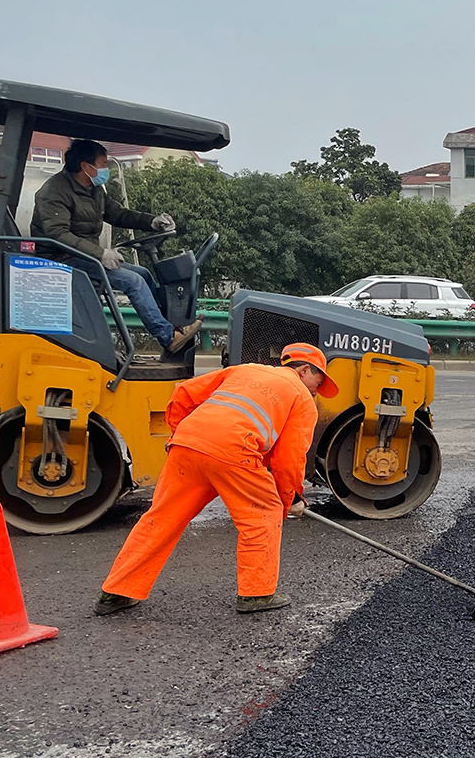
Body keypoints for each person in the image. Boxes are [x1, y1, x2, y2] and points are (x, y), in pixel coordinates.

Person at [95, 343, 337, 616]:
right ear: (304, 370)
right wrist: (289, 498)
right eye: (319, 380)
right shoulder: (302, 399)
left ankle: (116, 592)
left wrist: (179, 433)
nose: (318, 389)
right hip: (235, 450)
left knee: (161, 518)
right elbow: (289, 460)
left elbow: (183, 393)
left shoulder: (244, 370)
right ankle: (256, 594)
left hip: (188, 444)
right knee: (263, 514)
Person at [31, 138, 200, 355]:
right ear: (86, 166)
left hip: (84, 255)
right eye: (103, 164)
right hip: (61, 258)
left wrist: (151, 222)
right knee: (134, 281)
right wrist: (100, 253)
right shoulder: (54, 192)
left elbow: (117, 213)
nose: (106, 168)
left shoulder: (94, 189)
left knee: (144, 274)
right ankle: (168, 337)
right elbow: (58, 234)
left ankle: (174, 328)